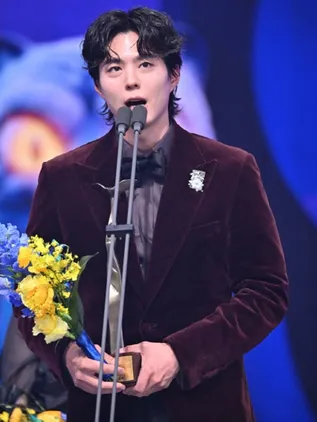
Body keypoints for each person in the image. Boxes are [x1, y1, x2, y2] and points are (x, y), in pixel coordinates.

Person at [15, 7, 288, 422]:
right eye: (113, 68)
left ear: (174, 74)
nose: (131, 80)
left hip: (206, 405)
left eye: (145, 64)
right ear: (98, 85)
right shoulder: (62, 177)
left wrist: (180, 355)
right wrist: (67, 356)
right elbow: (32, 294)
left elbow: (266, 290)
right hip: (103, 405)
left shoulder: (230, 169)